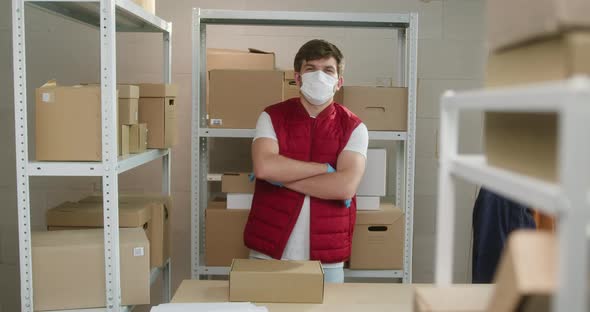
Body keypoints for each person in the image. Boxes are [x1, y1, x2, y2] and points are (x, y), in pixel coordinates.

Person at [243, 39, 369, 283]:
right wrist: (324, 169)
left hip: (327, 257)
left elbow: (344, 187)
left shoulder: (353, 126)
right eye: (311, 69)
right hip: (267, 252)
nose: (319, 76)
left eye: (328, 70)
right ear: (298, 78)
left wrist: (281, 179)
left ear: (338, 82)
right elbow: (265, 166)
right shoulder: (272, 116)